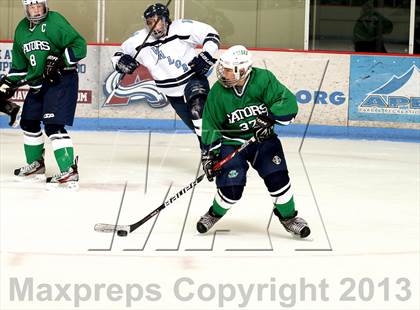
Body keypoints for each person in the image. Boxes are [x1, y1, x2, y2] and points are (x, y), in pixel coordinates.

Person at [197, 45, 310, 238]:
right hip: (231, 142)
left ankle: (289, 218)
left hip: (263, 140)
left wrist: (270, 118)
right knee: (231, 189)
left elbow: (287, 101)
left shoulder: (263, 79)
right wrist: (209, 154)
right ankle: (213, 213)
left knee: (278, 179)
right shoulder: (218, 92)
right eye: (222, 68)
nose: (222, 73)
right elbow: (210, 123)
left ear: (242, 70)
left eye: (227, 70)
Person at [0, 0, 87, 189]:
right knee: (29, 122)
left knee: (53, 125)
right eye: (32, 6)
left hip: (61, 80)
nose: (37, 9)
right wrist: (8, 82)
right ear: (26, 9)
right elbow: (20, 66)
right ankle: (37, 165)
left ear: (45, 5)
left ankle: (69, 171)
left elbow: (80, 46)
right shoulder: (21, 29)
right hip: (38, 84)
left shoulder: (55, 21)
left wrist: (60, 61)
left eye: (39, 5)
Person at [111, 3, 220, 149]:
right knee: (199, 129)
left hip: (192, 80)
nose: (155, 26)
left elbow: (211, 34)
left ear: (166, 19)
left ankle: (217, 151)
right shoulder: (140, 38)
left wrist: (206, 54)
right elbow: (118, 55)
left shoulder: (181, 27)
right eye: (150, 22)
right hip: (172, 93)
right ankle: (211, 154)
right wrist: (121, 62)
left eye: (158, 21)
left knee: (198, 111)